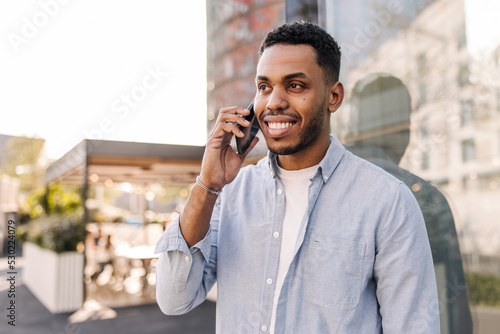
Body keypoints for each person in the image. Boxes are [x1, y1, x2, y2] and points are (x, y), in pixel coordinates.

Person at [155, 22, 440, 333]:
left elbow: (414, 326)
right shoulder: (232, 194)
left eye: (295, 86)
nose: (274, 102)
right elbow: (174, 298)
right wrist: (207, 186)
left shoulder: (387, 200)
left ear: (334, 96)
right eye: (264, 87)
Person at [346, 73, 472, 333]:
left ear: (354, 128)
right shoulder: (425, 199)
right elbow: (453, 306)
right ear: (404, 130)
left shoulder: (314, 188)